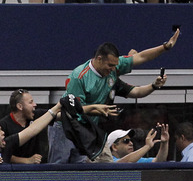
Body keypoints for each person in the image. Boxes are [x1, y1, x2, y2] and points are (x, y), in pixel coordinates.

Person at [48, 31, 179, 164]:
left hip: (87, 128)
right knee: (59, 166)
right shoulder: (79, 77)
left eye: (115, 65)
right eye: (110, 65)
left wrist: (165, 47)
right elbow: (74, 110)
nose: (113, 69)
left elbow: (141, 58)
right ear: (99, 59)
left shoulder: (114, 67)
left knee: (86, 167)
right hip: (65, 126)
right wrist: (97, 109)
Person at [0, 89, 47, 164]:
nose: (35, 104)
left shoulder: (35, 115)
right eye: (30, 102)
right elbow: (4, 153)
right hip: (12, 171)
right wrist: (27, 160)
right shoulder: (4, 125)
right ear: (20, 106)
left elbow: (53, 114)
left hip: (37, 170)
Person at [104, 126, 170, 163]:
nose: (131, 143)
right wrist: (147, 146)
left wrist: (164, 143)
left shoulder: (136, 159)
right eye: (126, 141)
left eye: (131, 140)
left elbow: (159, 161)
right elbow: (124, 163)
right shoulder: (107, 160)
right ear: (114, 147)